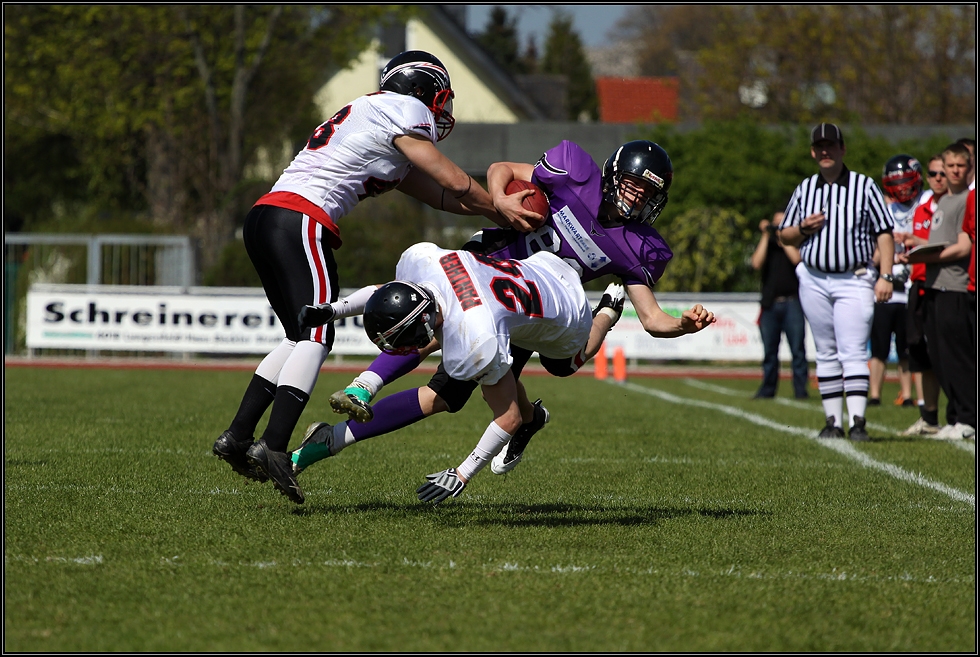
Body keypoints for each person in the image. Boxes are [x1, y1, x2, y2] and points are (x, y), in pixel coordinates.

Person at [210, 51, 539, 504]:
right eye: (439, 99)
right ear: (423, 90)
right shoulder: (407, 109)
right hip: (302, 218)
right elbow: (457, 182)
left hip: (269, 216)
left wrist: (497, 212)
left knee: (297, 335)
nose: (440, 112)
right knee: (317, 335)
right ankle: (276, 444)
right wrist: (499, 202)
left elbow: (443, 197)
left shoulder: (374, 117)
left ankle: (237, 435)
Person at [292, 140, 717, 477]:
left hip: (526, 307)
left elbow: (652, 319)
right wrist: (501, 199)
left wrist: (682, 324)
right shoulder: (574, 170)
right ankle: (361, 391)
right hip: (490, 260)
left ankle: (335, 433)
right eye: (632, 184)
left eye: (647, 193)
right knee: (428, 318)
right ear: (611, 175)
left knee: (446, 392)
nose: (636, 197)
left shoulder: (639, 245)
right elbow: (503, 171)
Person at [300, 242, 626, 504]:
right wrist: (335, 310)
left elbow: (506, 417)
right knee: (449, 364)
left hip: (566, 319)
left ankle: (609, 311)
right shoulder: (429, 267)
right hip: (535, 271)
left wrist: (463, 473)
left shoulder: (475, 336)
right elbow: (390, 291)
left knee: (570, 360)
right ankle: (361, 392)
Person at [778, 123, 894, 442]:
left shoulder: (863, 186)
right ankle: (833, 422)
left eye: (831, 145)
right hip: (814, 278)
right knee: (826, 351)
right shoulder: (805, 188)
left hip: (854, 278)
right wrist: (803, 228)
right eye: (820, 147)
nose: (825, 151)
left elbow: (884, 232)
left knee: (853, 350)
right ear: (813, 152)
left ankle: (858, 422)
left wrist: (886, 275)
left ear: (843, 149)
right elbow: (783, 235)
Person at [903, 142, 976, 440]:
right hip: (934, 284)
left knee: (958, 355)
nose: (954, 171)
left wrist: (925, 257)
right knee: (940, 357)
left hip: (954, 285)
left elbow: (963, 245)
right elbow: (941, 241)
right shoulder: (944, 201)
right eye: (950, 166)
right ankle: (956, 415)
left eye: (961, 165)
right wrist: (913, 244)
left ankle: (968, 417)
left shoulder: (966, 200)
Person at [868, 155, 927, 407]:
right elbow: (874, 254)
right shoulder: (886, 211)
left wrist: (912, 240)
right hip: (889, 287)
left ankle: (913, 396)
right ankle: (875, 394)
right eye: (897, 182)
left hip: (917, 285)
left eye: (906, 181)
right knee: (879, 347)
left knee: (910, 348)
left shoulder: (927, 204)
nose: (902, 187)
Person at [898, 155, 946, 436]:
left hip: (943, 284)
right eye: (934, 173)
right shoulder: (923, 206)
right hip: (919, 284)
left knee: (948, 352)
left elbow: (949, 245)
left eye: (944, 172)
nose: (939, 178)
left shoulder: (959, 202)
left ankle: (959, 415)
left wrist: (915, 242)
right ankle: (928, 416)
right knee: (918, 350)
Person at [750, 211, 808, 399]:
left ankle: (800, 391)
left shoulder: (794, 243)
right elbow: (756, 263)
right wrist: (766, 235)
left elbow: (797, 260)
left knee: (798, 350)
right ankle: (767, 390)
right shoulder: (768, 244)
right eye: (775, 223)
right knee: (769, 353)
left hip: (793, 302)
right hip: (770, 304)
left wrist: (784, 237)